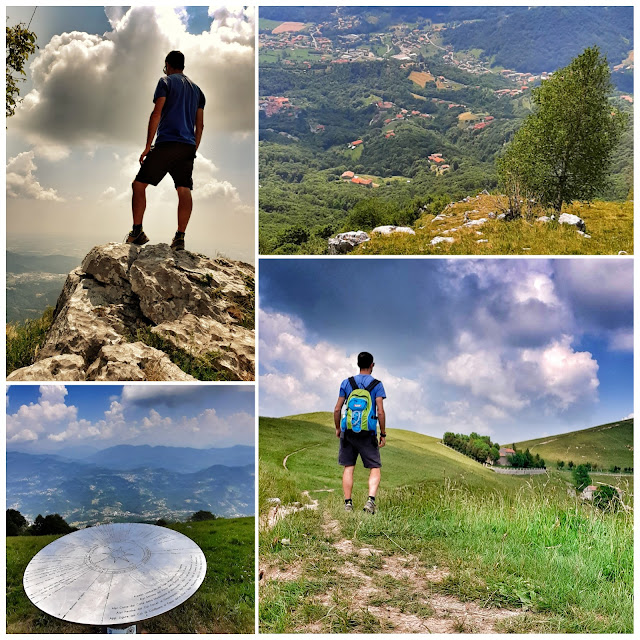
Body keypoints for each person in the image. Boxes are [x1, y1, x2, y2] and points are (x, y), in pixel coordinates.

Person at [126, 50, 205, 251]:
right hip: (187, 146)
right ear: (183, 66)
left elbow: (156, 113)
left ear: (168, 65)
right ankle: (180, 237)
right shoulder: (198, 91)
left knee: (139, 185)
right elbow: (200, 125)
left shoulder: (165, 82)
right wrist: (193, 149)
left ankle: (137, 232)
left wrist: (147, 147)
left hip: (167, 142)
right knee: (184, 188)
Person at [333, 352, 387, 514]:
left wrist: (338, 428)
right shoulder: (377, 384)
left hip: (348, 431)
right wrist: (382, 433)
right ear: (372, 365)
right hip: (368, 432)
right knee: (374, 467)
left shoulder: (347, 383)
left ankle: (348, 504)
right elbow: (381, 411)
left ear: (358, 364)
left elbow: (337, 409)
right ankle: (370, 501)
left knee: (349, 467)